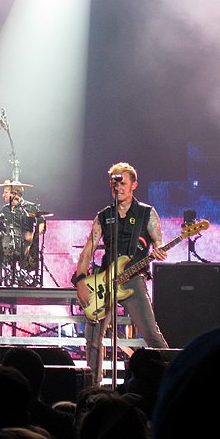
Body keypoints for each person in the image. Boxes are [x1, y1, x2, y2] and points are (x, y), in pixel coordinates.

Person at [74, 162, 168, 384]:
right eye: (114, 183)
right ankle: (92, 386)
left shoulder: (147, 213)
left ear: (133, 185)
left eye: (123, 182)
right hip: (105, 281)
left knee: (152, 335)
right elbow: (88, 250)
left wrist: (159, 251)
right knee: (93, 339)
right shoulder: (104, 216)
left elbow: (158, 244)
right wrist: (80, 280)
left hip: (134, 279)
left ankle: (173, 378)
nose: (118, 187)